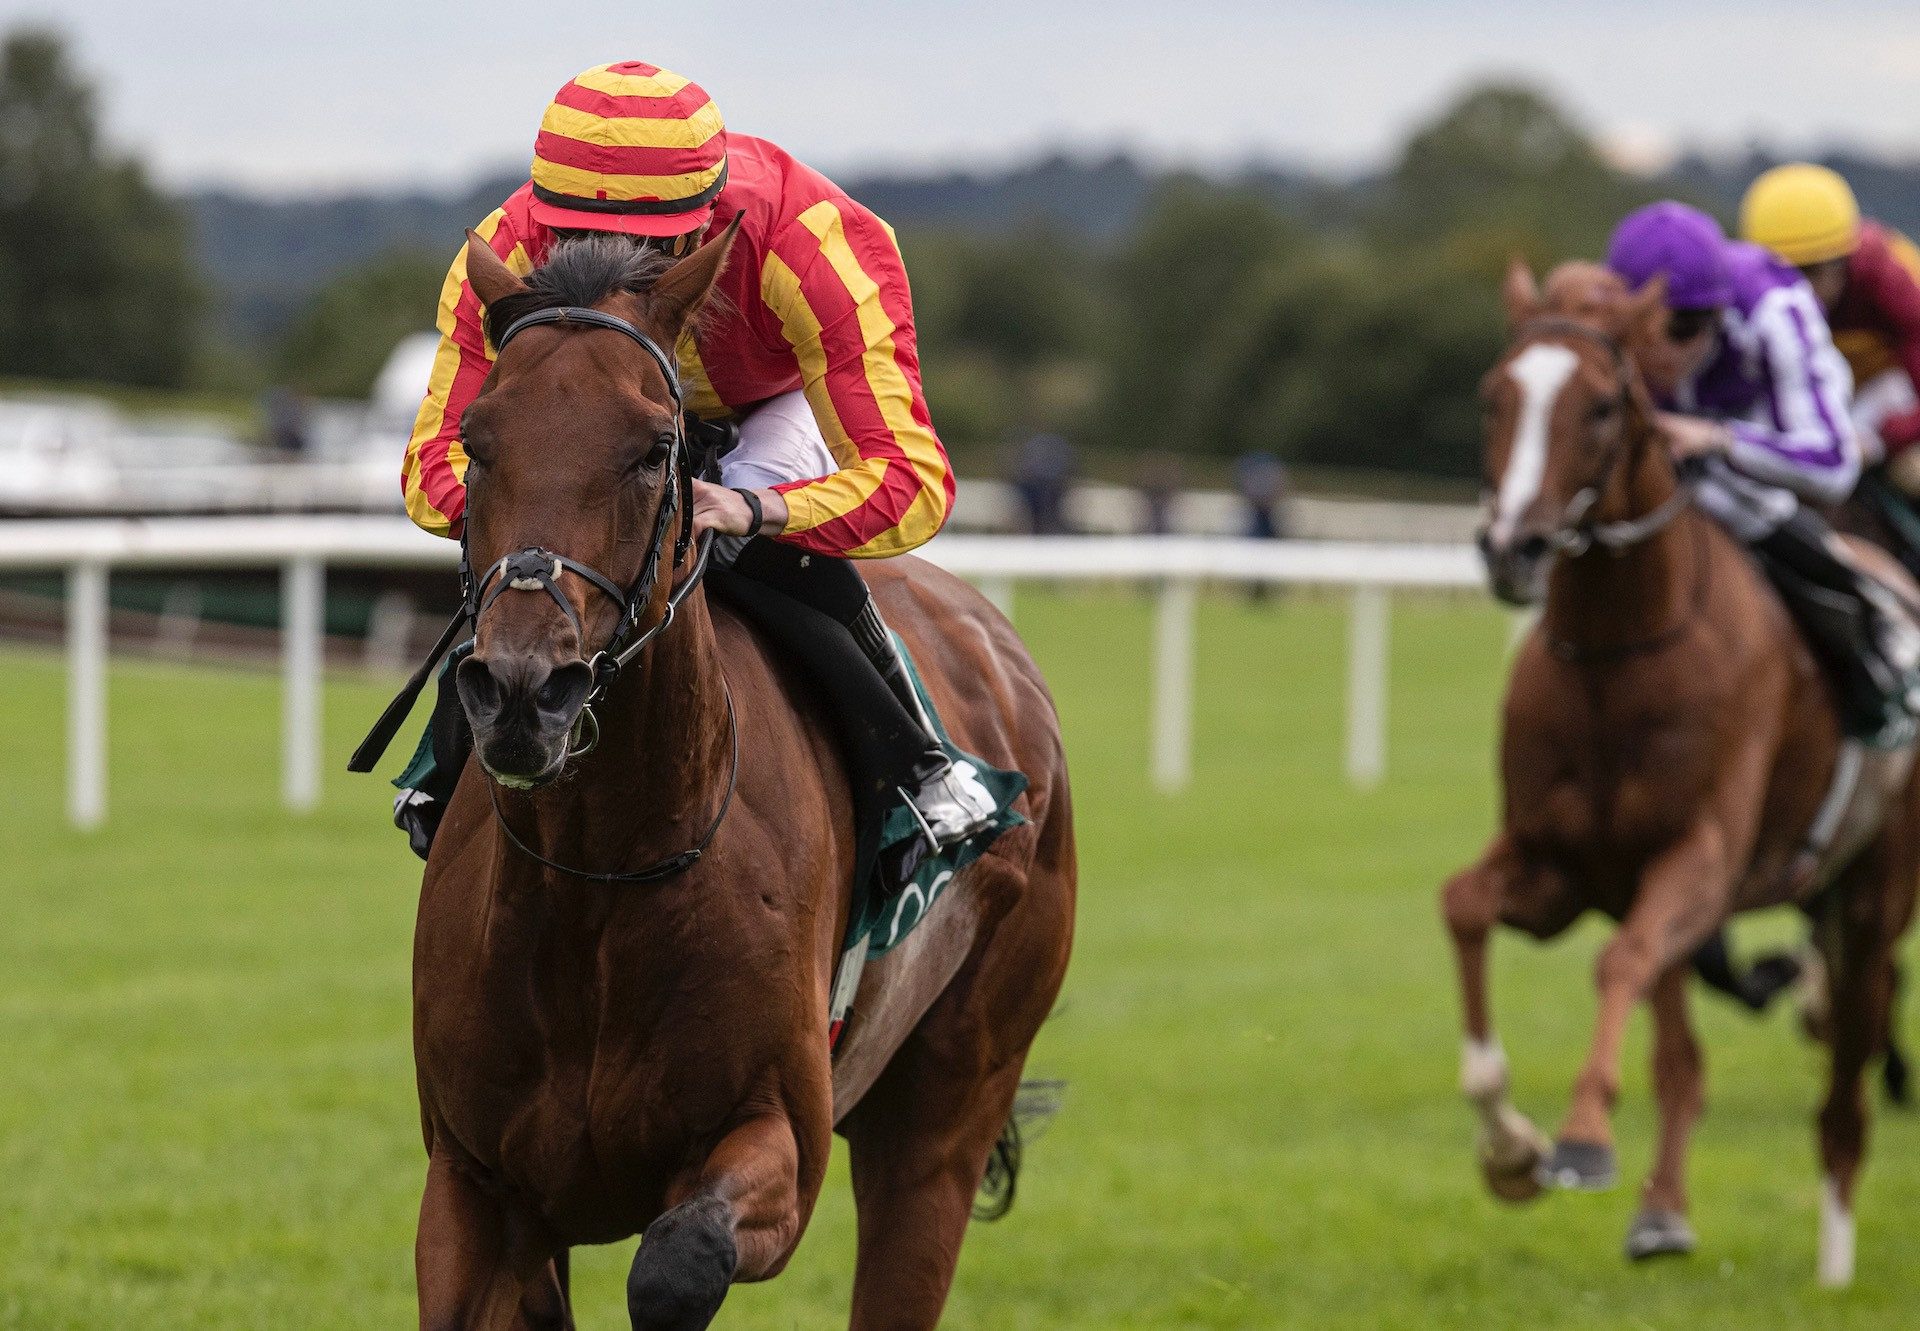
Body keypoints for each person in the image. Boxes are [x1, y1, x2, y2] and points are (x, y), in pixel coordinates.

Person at [391, 61, 994, 857]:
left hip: (765, 404)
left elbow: (910, 482)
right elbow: (432, 467)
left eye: (637, 252)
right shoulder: (505, 251)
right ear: (543, 221)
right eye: (576, 243)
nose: (605, 269)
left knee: (739, 546)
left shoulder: (815, 245)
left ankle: (914, 762)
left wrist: (757, 508)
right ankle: (448, 759)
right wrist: (535, 507)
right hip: (599, 419)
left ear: (700, 226)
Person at [1606, 201, 1920, 748]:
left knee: (1743, 501)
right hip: (1691, 460)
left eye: (1682, 331)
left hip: (1795, 439)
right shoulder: (1601, 318)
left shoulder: (1776, 306)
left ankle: (1880, 643)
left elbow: (1832, 465)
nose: (1659, 352)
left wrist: (1720, 440)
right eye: (1643, 331)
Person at [1741, 164, 1920, 478]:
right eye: (1779, 272)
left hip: (1892, 392)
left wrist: (1882, 440)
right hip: (1827, 398)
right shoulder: (1745, 288)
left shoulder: (1889, 278)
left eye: (1809, 271)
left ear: (1844, 262)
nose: (1795, 291)